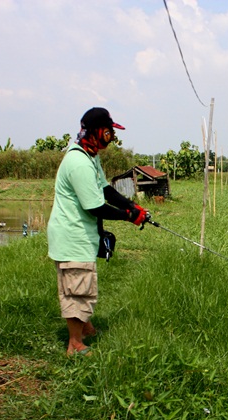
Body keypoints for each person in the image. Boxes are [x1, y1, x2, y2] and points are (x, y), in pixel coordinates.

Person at [47, 107, 147, 356]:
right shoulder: (79, 162)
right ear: (98, 132)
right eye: (109, 132)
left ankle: (86, 328)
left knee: (83, 283)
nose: (112, 137)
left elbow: (104, 189)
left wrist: (130, 205)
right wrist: (128, 216)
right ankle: (75, 344)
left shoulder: (90, 156)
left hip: (80, 234)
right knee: (78, 287)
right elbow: (94, 207)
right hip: (72, 236)